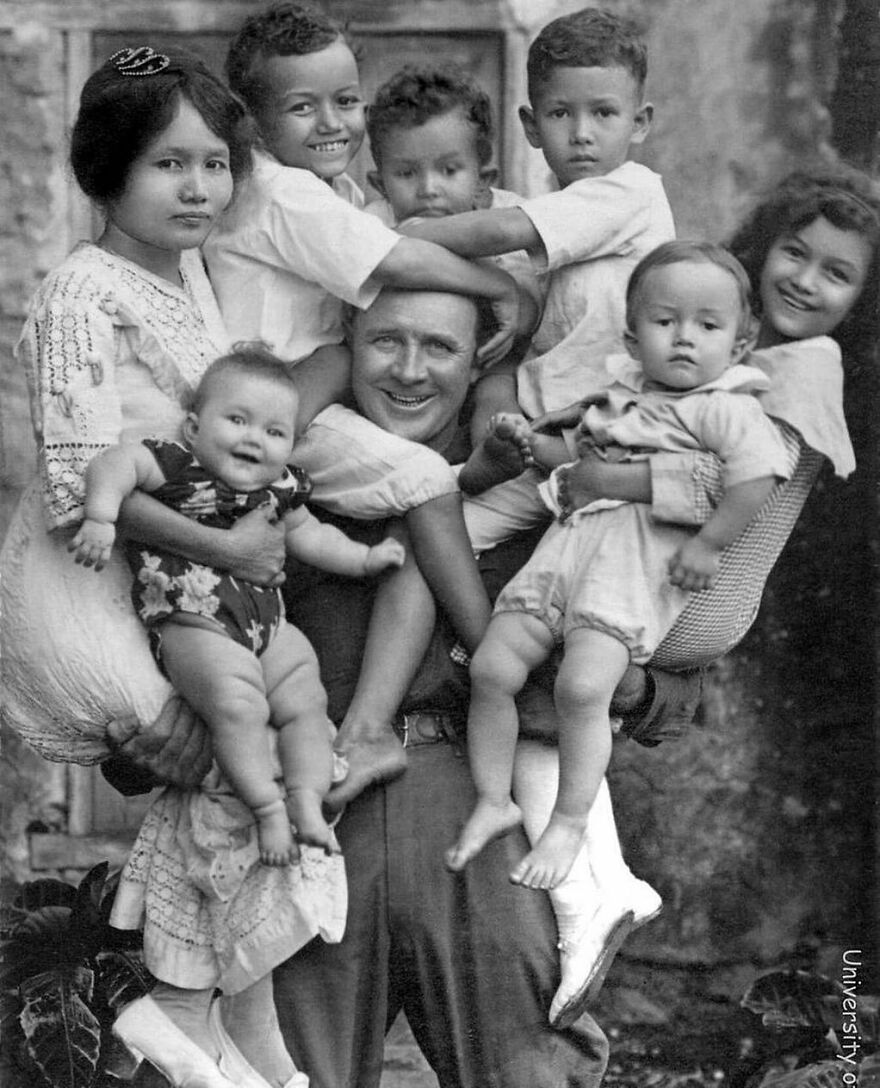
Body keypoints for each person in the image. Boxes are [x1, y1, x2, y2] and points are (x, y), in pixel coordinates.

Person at [0, 47, 318, 1088]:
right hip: (93, 576)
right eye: (166, 165)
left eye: (214, 164)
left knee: (242, 779)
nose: (197, 188)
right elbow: (72, 483)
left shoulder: (186, 271)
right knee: (213, 764)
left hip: (173, 576)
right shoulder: (81, 293)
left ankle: (236, 1026)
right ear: (106, 171)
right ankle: (175, 1012)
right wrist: (230, 547)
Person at [517, 166, 877, 1028]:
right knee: (545, 694)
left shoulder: (802, 367)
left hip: (687, 597)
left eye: (837, 273)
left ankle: (585, 890)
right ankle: (588, 890)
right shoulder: (742, 354)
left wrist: (586, 471)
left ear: (862, 299)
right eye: (794, 253)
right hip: (682, 592)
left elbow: (717, 480)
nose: (805, 280)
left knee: (534, 672)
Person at [203, 0, 528, 801]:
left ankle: (380, 722)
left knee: (416, 510)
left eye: (346, 100)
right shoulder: (281, 194)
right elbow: (398, 253)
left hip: (309, 390)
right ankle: (489, 651)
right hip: (278, 411)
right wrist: (504, 287)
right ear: (251, 121)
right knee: (423, 480)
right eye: (302, 106)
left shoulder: (329, 186)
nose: (332, 121)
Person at [445, 241, 791, 887]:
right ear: (633, 338)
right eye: (665, 323)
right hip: (562, 556)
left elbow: (757, 477)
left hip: (627, 575)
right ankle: (494, 800)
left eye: (707, 326)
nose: (684, 339)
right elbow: (570, 452)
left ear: (739, 347)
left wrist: (709, 544)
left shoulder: (725, 407)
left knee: (582, 688)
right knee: (493, 665)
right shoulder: (618, 397)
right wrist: (528, 443)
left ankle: (570, 820)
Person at [71, 347, 404, 862]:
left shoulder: (281, 489)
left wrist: (364, 559)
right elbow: (112, 463)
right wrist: (99, 516)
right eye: (237, 420)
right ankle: (269, 810)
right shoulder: (175, 467)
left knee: (307, 705)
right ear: (193, 428)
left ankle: (308, 801)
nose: (255, 438)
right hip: (194, 622)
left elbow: (311, 536)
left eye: (275, 432)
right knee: (239, 705)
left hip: (267, 624)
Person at [400, 6, 676, 552]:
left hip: (606, 444)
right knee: (438, 537)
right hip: (542, 438)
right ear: (530, 125)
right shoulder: (559, 211)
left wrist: (406, 232)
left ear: (639, 122)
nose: (581, 135)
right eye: (560, 114)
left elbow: (502, 228)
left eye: (603, 114)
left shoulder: (630, 191)